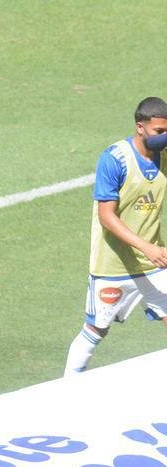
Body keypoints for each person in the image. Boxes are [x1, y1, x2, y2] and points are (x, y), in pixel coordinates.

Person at [65, 97, 167, 375]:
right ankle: (66, 388)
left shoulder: (164, 156)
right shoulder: (114, 159)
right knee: (96, 330)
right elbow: (107, 216)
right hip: (113, 266)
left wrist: (151, 250)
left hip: (152, 264)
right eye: (159, 131)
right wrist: (146, 247)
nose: (164, 137)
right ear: (140, 127)